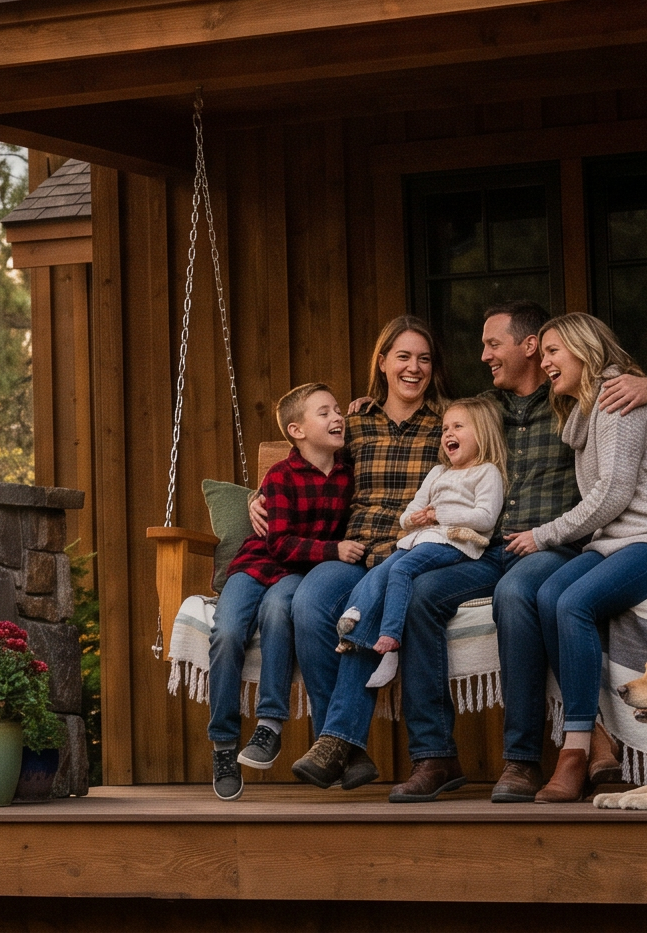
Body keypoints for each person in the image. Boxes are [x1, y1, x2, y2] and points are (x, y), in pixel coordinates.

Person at [270, 302, 647, 803]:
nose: (484, 355)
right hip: (481, 547)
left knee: (515, 594)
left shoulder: (571, 406)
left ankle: (522, 759)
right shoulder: (487, 410)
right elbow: (323, 451)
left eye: (493, 344)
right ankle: (434, 756)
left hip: (547, 545)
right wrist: (262, 496)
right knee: (421, 593)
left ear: (529, 347)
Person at [515, 311, 647, 803]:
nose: (545, 360)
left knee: (573, 602)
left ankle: (575, 747)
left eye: (554, 351)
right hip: (616, 541)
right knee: (547, 593)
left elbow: (613, 494)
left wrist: (543, 535)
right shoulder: (585, 414)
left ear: (585, 350)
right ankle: (596, 735)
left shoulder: (617, 401)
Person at [285, 315, 447, 791]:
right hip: (355, 550)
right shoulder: (354, 422)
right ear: (382, 362)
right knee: (309, 603)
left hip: (412, 550)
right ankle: (349, 749)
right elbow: (304, 462)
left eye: (423, 359)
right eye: (403, 357)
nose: (413, 368)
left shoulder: (448, 423)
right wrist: (258, 497)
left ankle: (334, 740)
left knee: (358, 613)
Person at [207, 383, 362, 800]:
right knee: (226, 632)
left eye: (337, 410)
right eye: (323, 413)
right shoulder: (279, 475)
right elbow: (276, 542)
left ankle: (269, 725)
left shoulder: (349, 474)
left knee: (280, 613)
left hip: (298, 573)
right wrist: (334, 549)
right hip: (258, 564)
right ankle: (223, 745)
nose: (336, 418)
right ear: (296, 430)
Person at [338, 396, 506, 690]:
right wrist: (413, 518)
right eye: (444, 429)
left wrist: (439, 515)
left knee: (401, 571)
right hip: (422, 538)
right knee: (383, 568)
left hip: (455, 544)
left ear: (482, 433)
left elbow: (485, 517)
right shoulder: (438, 472)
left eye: (458, 427)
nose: (448, 434)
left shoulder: (486, 472)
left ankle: (390, 640)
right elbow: (410, 511)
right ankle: (356, 621)